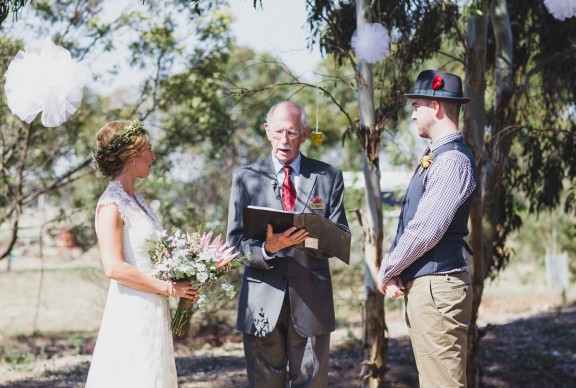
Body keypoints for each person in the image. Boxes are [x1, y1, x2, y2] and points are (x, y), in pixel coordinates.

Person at [227, 101, 349, 387]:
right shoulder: (245, 178)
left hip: (311, 302)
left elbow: (341, 236)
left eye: (292, 132)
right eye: (279, 131)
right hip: (261, 302)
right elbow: (234, 244)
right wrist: (269, 247)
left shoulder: (329, 176)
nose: (284, 140)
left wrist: (310, 237)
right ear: (267, 131)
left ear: (304, 135)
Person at [377, 70, 477, 387]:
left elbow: (425, 230)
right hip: (430, 286)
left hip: (437, 288)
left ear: (435, 107)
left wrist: (388, 267)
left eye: (416, 105)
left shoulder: (451, 161)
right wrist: (400, 271)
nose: (412, 114)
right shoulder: (438, 155)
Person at [86, 120, 198, 388]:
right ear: (132, 156)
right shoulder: (111, 204)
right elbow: (113, 267)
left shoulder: (137, 200)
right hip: (131, 308)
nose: (154, 156)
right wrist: (169, 287)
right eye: (148, 149)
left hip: (154, 306)